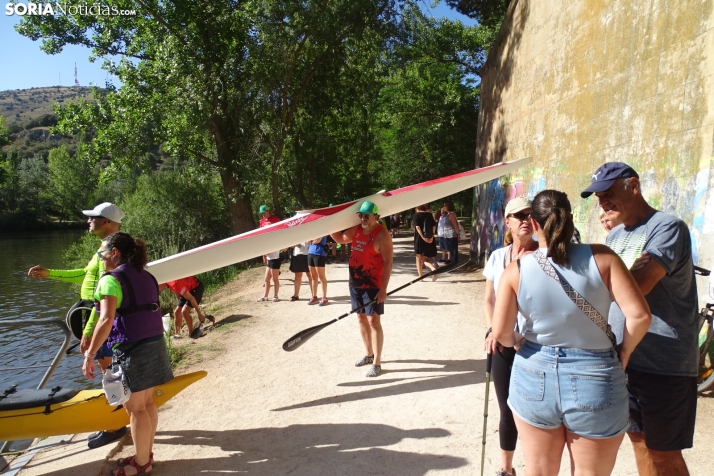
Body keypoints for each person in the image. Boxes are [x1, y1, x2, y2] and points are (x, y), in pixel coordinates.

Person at [492, 189, 651, 476]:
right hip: (596, 374)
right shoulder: (603, 258)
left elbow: (502, 332)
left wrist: (518, 342)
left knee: (538, 471)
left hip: (533, 374)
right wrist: (624, 352)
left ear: (535, 224)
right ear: (570, 219)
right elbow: (639, 316)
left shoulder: (516, 270)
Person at [582, 162, 700, 476]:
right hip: (624, 358)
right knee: (638, 441)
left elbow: (640, 287)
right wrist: (626, 276)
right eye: (598, 195)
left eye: (608, 192)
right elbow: (602, 290)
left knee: (663, 453)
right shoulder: (614, 236)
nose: (602, 200)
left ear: (633, 185)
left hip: (665, 363)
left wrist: (623, 280)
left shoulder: (667, 228)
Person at [27, 202, 127, 449]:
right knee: (109, 371)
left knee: (109, 372)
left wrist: (88, 331)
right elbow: (84, 275)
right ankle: (117, 419)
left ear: (106, 222)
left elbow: (101, 296)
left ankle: (115, 424)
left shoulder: (113, 251)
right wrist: (50, 274)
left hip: (98, 316)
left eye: (93, 218)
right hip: (93, 312)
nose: (88, 221)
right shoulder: (102, 249)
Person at [82, 232, 173, 476]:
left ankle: (141, 464)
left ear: (115, 253)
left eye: (102, 253)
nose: (100, 258)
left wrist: (90, 354)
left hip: (133, 349)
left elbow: (106, 319)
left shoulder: (110, 279)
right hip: (154, 344)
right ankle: (145, 455)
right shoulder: (147, 275)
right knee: (147, 403)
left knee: (135, 409)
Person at [482, 196, 538, 476]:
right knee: (506, 409)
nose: (526, 219)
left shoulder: (544, 255)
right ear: (508, 221)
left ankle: (537, 468)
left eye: (530, 214)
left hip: (534, 346)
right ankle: (506, 469)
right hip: (503, 341)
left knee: (533, 414)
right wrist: (495, 330)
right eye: (519, 215)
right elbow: (488, 301)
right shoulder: (497, 256)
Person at [330, 201, 393, 377]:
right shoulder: (356, 230)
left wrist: (383, 289)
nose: (363, 219)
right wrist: (327, 224)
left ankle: (377, 363)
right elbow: (340, 239)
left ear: (376, 217)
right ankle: (368, 354)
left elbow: (388, 263)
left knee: (374, 321)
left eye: (367, 216)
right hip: (355, 282)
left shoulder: (382, 235)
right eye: (361, 215)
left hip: (373, 285)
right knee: (360, 318)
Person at [257, 205, 282, 302]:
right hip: (268, 252)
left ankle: (276, 296)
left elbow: (280, 234)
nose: (263, 214)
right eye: (261, 213)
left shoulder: (276, 219)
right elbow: (261, 236)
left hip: (274, 252)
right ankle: (265, 296)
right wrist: (264, 254)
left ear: (268, 211)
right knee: (266, 279)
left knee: (274, 278)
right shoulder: (262, 221)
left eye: (264, 212)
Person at [412, 204, 438, 280]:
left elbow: (417, 227)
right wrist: (431, 236)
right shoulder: (429, 215)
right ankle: (433, 269)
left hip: (420, 239)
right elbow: (434, 226)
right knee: (424, 258)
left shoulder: (416, 216)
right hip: (429, 238)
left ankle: (420, 277)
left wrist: (423, 237)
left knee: (418, 258)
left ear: (417, 208)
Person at [307, 236, 329, 306]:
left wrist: (311, 240)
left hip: (319, 253)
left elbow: (317, 240)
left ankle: (324, 298)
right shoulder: (313, 231)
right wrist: (311, 240)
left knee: (321, 276)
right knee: (313, 276)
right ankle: (314, 296)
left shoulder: (322, 230)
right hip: (310, 253)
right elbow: (306, 241)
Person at [441, 200, 460, 266]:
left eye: (445, 206)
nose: (444, 207)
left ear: (449, 206)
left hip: (451, 235)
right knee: (450, 250)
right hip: (447, 235)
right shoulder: (448, 214)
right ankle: (452, 264)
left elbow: (455, 225)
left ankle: (454, 264)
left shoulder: (451, 214)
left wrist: (458, 234)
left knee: (454, 251)